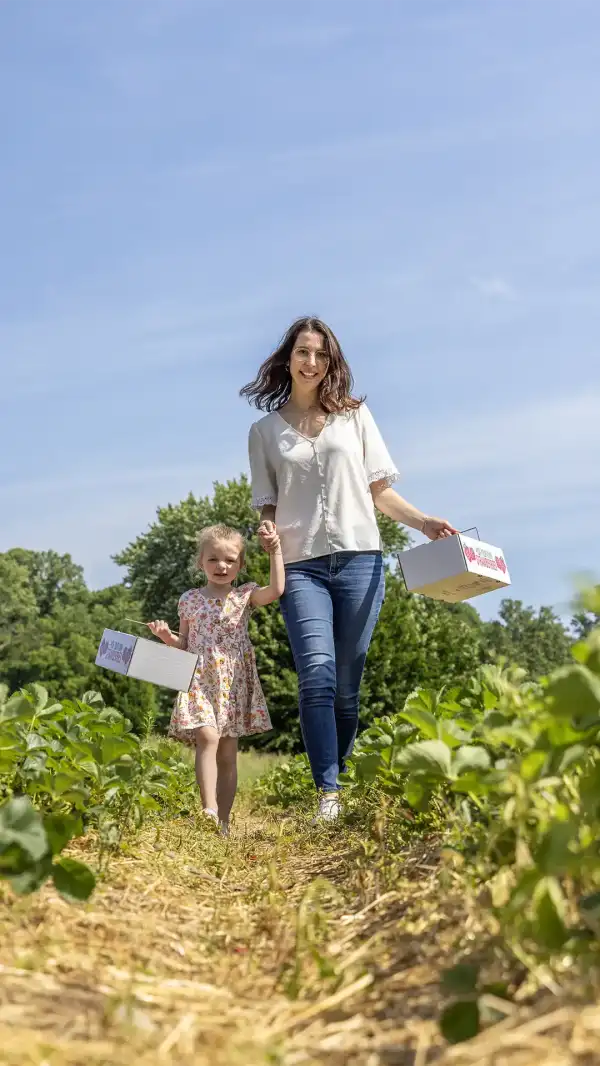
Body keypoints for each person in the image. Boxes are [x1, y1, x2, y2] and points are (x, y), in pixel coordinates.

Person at [241, 316, 457, 824]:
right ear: (287, 357)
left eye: (320, 354)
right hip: (301, 568)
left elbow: (380, 491)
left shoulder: (355, 417)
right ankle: (329, 792)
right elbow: (265, 504)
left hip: (361, 560)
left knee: (345, 685)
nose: (310, 362)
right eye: (302, 352)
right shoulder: (264, 432)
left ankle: (341, 768)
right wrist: (267, 530)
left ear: (330, 361)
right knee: (316, 675)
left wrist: (424, 522)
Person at [149, 523, 285, 835]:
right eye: (212, 559)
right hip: (199, 677)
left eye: (229, 560)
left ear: (241, 564)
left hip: (233, 680)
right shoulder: (189, 600)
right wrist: (164, 636)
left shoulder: (244, 595)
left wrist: (275, 551)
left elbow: (276, 590)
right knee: (207, 737)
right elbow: (183, 644)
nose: (221, 566)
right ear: (200, 562)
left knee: (227, 752)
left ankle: (223, 822)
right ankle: (208, 809)